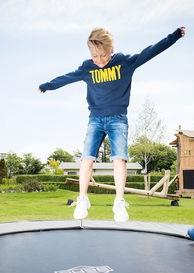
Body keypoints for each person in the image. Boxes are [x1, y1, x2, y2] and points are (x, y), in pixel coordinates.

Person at [38, 26, 185, 222]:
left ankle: (119, 201)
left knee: (119, 159)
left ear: (111, 50)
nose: (99, 60)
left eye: (103, 55)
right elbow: (67, 78)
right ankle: (82, 199)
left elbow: (150, 51)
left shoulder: (124, 62)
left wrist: (174, 36)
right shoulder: (87, 67)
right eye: (95, 56)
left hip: (118, 119)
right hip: (95, 119)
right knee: (86, 159)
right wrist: (47, 86)